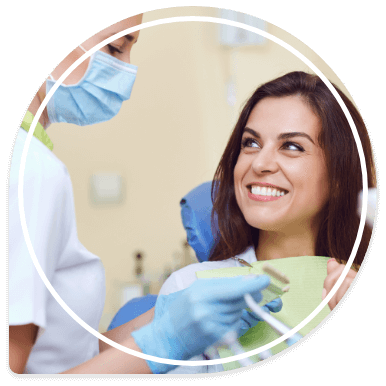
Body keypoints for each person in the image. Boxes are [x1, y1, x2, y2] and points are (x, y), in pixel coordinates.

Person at [9, 15, 283, 374]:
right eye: (115, 48)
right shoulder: (32, 171)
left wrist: (160, 319)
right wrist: (165, 340)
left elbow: (62, 354)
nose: (126, 72)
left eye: (292, 146)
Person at [157, 71, 376, 373]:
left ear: (340, 176)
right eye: (251, 143)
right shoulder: (190, 289)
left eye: (292, 147)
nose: (259, 164)